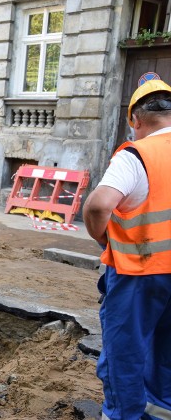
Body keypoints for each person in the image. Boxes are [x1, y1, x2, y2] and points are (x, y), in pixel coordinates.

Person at [83, 78, 171, 420]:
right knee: (165, 350)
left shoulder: (137, 154)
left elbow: (98, 206)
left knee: (125, 353)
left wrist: (104, 239)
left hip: (139, 272)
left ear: (135, 119)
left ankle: (122, 415)